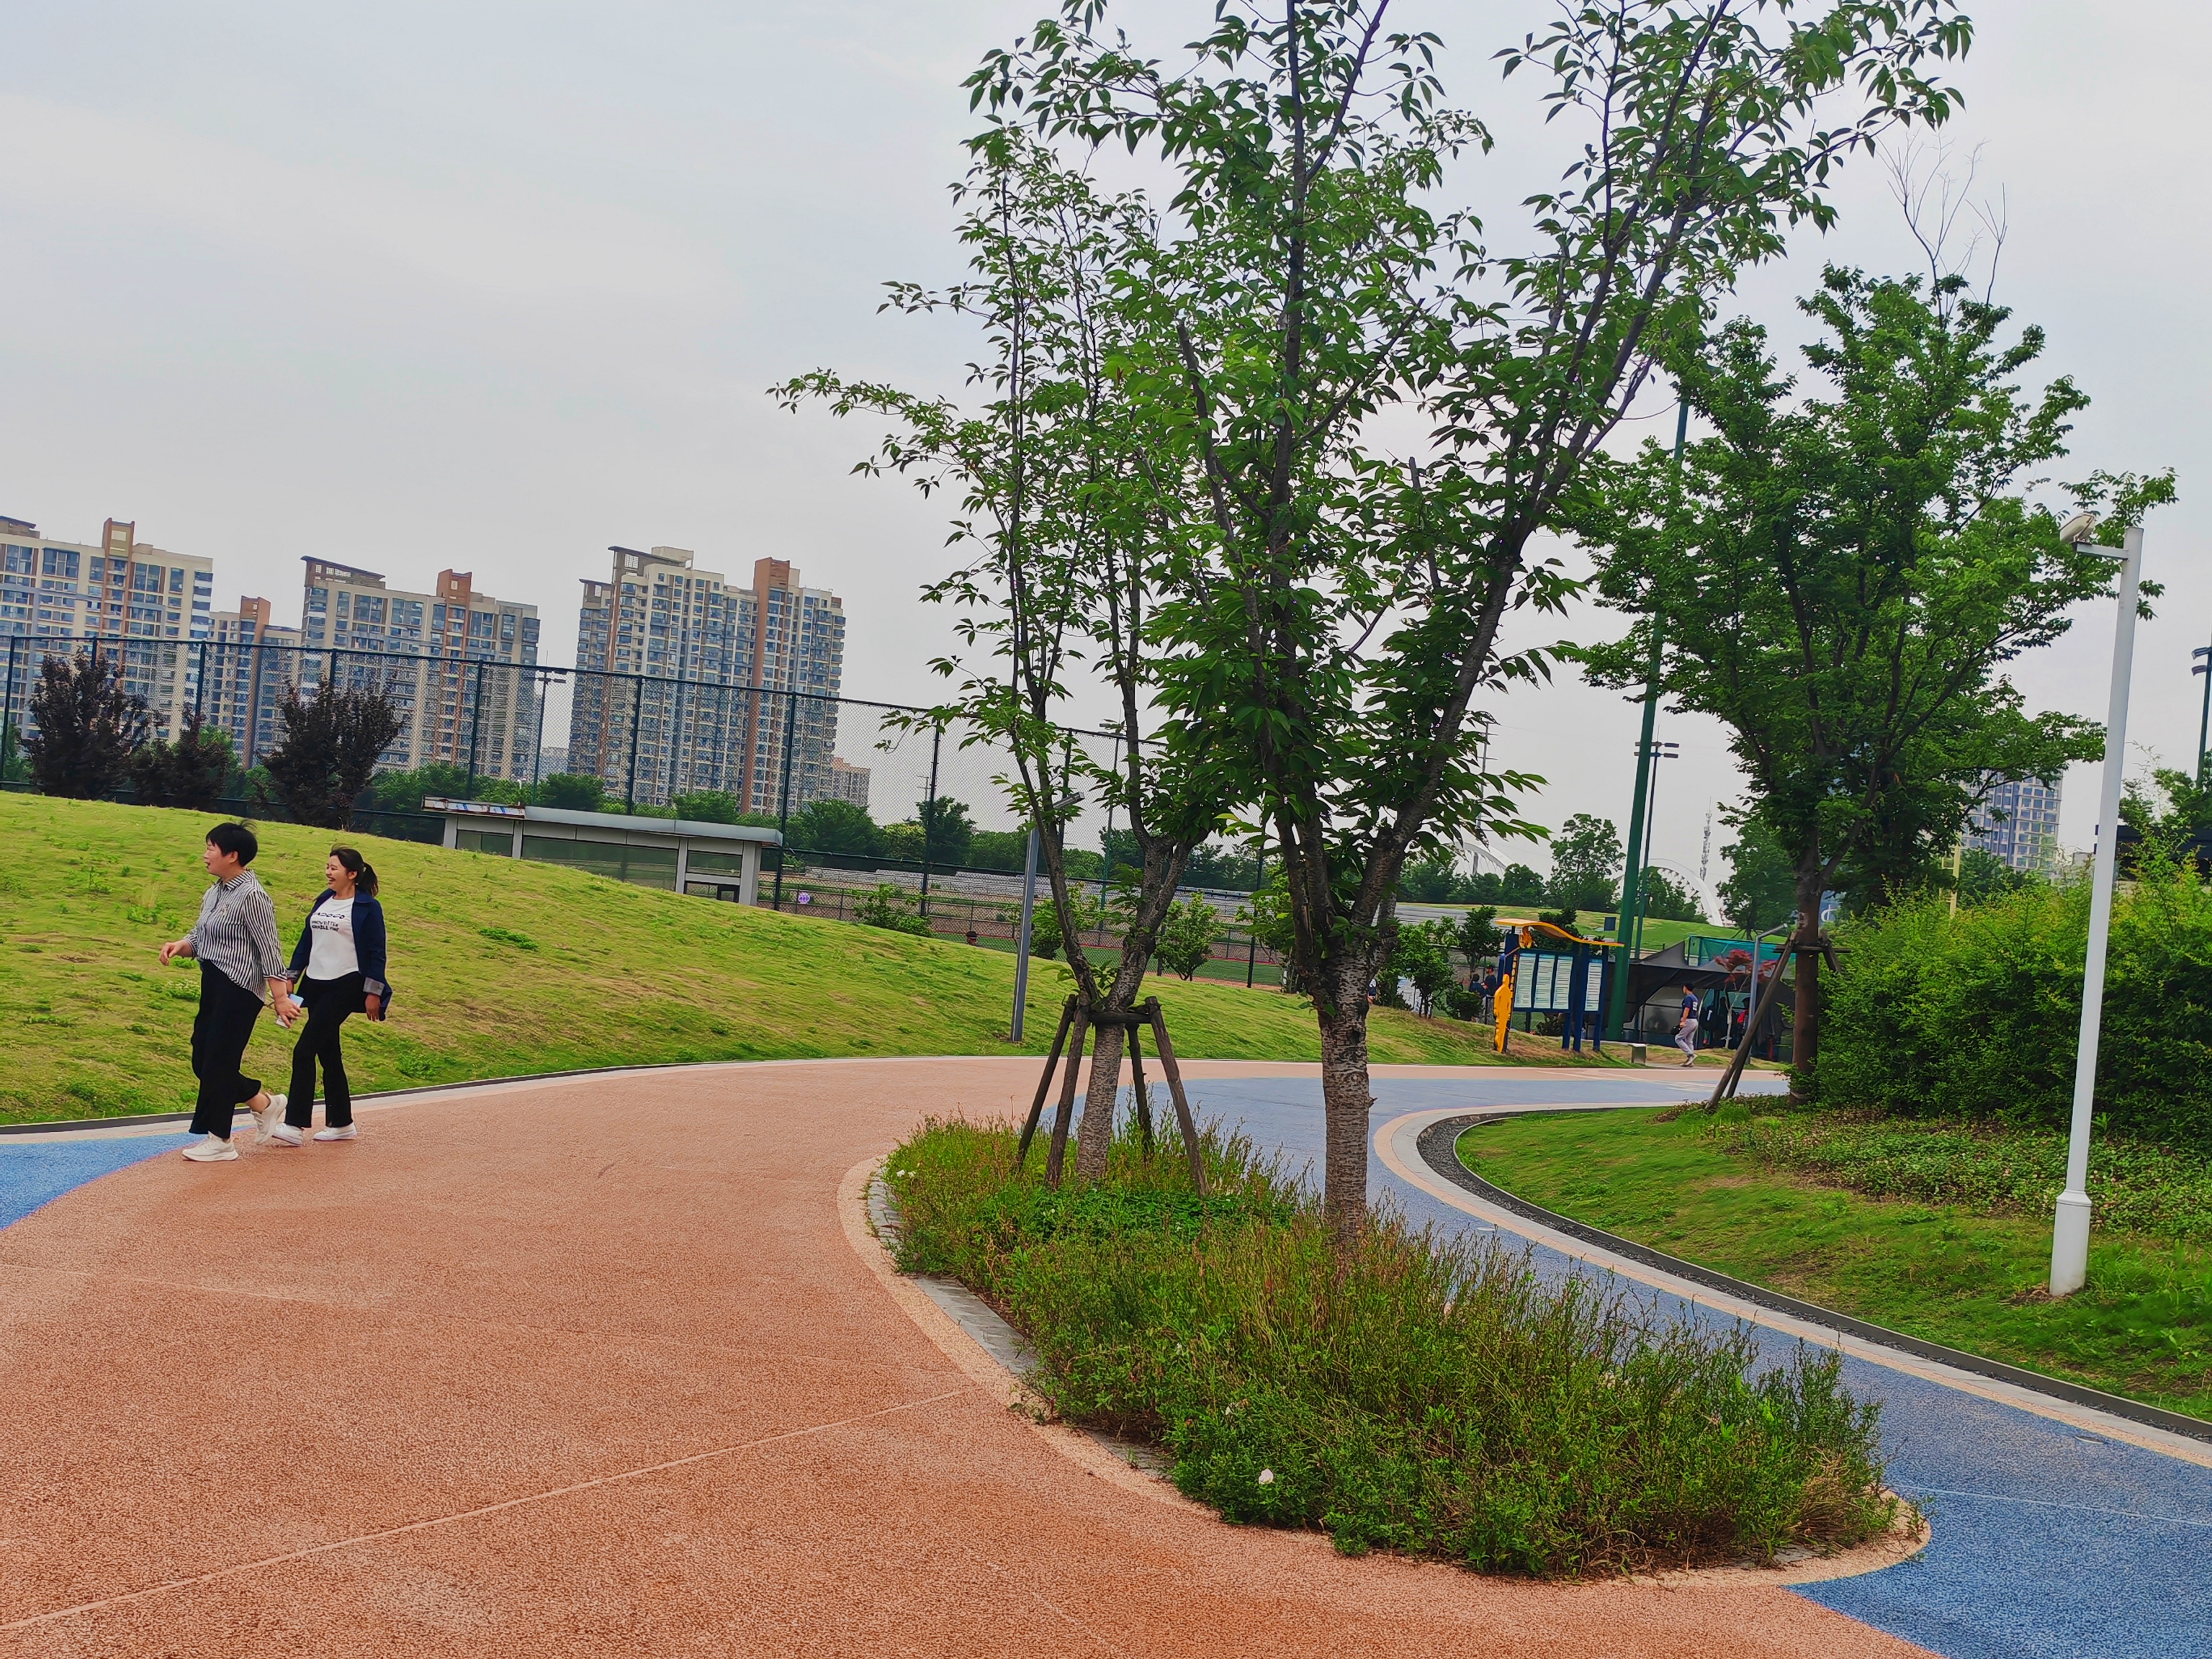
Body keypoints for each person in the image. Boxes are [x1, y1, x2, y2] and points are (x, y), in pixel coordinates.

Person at [158, 822, 294, 1162]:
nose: (205, 854)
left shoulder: (254, 896)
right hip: (214, 982)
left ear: (233, 856)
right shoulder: (215, 891)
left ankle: (220, 1139)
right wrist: (181, 945)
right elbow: (202, 936)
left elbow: (270, 949)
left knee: (219, 1061)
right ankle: (263, 1102)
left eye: (211, 848)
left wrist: (280, 998)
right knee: (202, 1058)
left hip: (240, 989)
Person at [273, 846, 390, 1145]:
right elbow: (306, 940)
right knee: (329, 1054)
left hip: (346, 983)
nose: (328, 872)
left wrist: (373, 992)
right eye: (327, 866)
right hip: (316, 983)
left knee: (304, 1050)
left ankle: (295, 1125)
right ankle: (342, 1123)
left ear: (352, 874)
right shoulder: (324, 900)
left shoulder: (367, 907)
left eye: (334, 868)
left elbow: (377, 953)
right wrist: (291, 975)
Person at [1675, 984, 1701, 1067]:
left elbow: (1687, 1009)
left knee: (1678, 1038)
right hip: (1694, 1020)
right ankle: (1690, 1060)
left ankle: (1691, 1055)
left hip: (1689, 1020)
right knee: (1689, 1040)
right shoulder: (1695, 998)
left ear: (1685, 988)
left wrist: (1683, 1020)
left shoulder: (1688, 998)